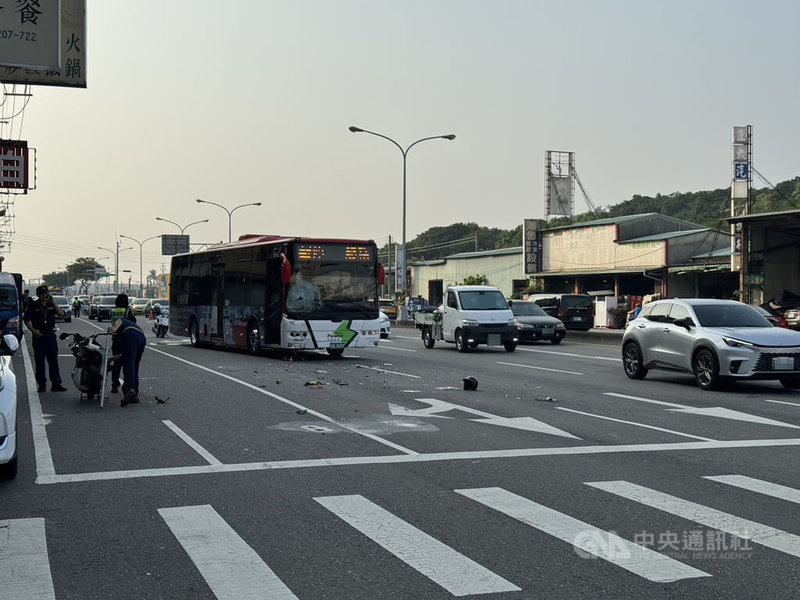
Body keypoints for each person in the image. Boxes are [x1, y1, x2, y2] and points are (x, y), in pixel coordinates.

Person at [23, 285, 67, 393]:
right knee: (40, 363)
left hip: (50, 336)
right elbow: (26, 320)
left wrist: (54, 302)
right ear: (38, 295)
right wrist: (33, 331)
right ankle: (42, 385)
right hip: (39, 336)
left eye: (46, 293)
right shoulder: (33, 305)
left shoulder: (51, 305)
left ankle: (56, 384)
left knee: (53, 361)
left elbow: (61, 314)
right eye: (42, 293)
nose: (44, 295)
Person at [107, 315, 146, 406]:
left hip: (131, 337)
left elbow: (116, 326)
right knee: (135, 365)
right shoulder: (133, 325)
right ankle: (134, 391)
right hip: (142, 339)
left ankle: (128, 390)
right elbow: (123, 356)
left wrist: (111, 329)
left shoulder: (121, 321)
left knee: (128, 365)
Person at [110, 293, 136, 394]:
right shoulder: (127, 311)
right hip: (125, 339)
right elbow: (133, 321)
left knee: (116, 363)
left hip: (115, 339)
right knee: (127, 363)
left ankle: (114, 385)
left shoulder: (113, 311)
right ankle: (127, 386)